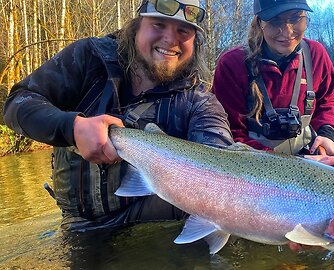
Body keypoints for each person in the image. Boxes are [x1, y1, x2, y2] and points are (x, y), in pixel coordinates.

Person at [3, 0, 233, 231]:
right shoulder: (88, 58)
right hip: (82, 223)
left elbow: (222, 161)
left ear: (195, 41)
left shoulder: (201, 102)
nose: (170, 39)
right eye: (159, 24)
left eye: (183, 30)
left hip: (157, 221)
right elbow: (18, 102)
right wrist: (72, 127)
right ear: (137, 25)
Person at [212, 0, 334, 182]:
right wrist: (296, 166)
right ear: (259, 24)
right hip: (255, 171)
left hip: (311, 160)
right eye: (275, 22)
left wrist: (327, 134)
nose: (288, 31)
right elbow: (230, 136)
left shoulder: (316, 54)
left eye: (296, 18)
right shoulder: (231, 66)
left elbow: (326, 100)